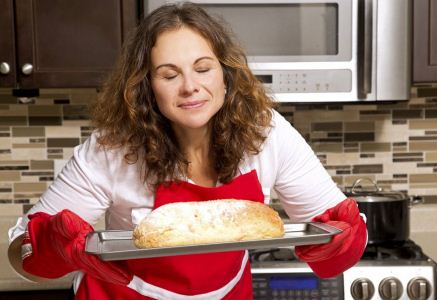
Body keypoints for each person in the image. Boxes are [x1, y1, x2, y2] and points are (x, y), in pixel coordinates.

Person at [7, 2, 367, 299]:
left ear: (225, 75)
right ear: (146, 87)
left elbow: (332, 225)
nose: (190, 87)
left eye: (203, 68)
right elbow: (20, 254)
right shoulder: (112, 148)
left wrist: (346, 241)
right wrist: (50, 249)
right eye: (169, 75)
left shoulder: (266, 132)